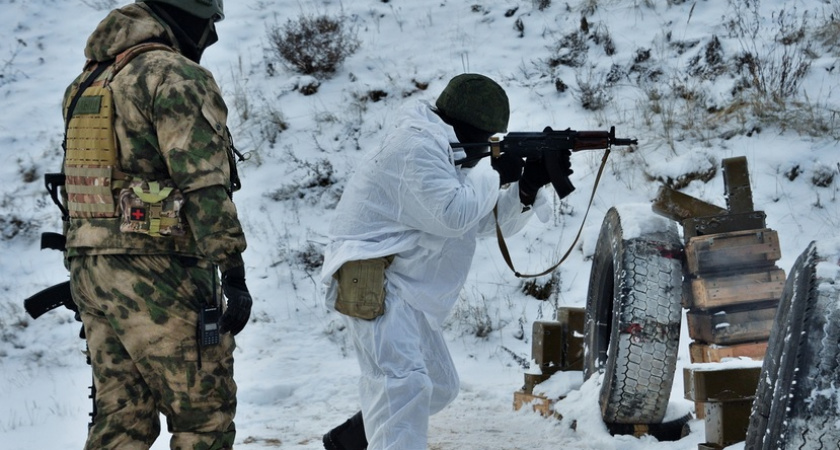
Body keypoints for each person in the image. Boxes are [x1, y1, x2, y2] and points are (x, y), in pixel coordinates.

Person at [320, 73, 574, 450]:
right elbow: (453, 215)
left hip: (402, 284)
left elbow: (477, 222)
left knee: (438, 386)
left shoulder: (447, 150)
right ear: (472, 130)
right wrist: (495, 170)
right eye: (489, 144)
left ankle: (352, 440)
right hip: (374, 279)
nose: (486, 156)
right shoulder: (417, 146)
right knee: (403, 386)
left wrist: (525, 187)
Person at [60, 1, 251, 448]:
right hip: (159, 271)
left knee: (121, 422)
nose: (212, 37)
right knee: (204, 417)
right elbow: (203, 183)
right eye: (209, 24)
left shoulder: (88, 82)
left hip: (91, 270)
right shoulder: (174, 75)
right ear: (185, 15)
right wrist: (233, 270)